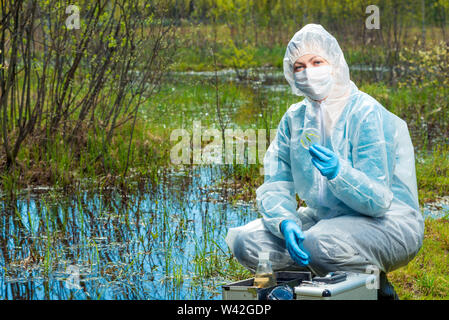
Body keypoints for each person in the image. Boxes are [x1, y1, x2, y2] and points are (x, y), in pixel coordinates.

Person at [225, 24, 424, 299]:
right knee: (247, 242)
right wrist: (284, 221)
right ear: (291, 74)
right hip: (326, 219)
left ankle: (377, 292)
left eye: (317, 62)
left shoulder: (366, 113)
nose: (308, 71)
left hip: (390, 223)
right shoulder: (295, 119)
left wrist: (339, 173)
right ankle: (299, 289)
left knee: (320, 243)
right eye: (299, 66)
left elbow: (378, 200)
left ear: (335, 63)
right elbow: (276, 182)